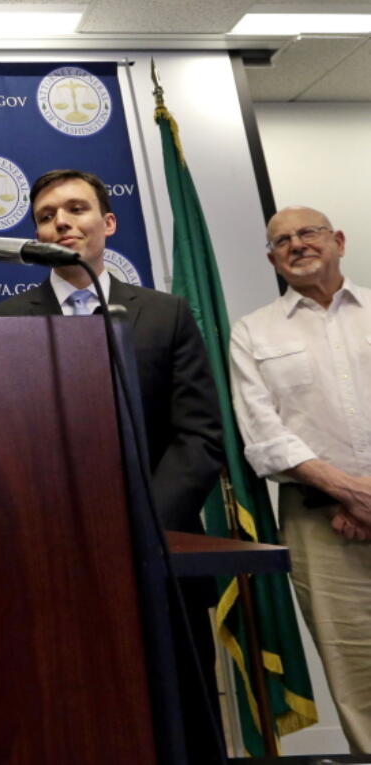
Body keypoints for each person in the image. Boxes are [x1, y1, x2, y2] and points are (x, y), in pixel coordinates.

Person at [0, 168, 225, 761]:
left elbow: (199, 436)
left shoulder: (167, 313)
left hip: (162, 555)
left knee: (180, 726)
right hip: (50, 560)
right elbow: (1, 447)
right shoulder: (3, 323)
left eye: (76, 209)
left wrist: (143, 527)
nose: (61, 222)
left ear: (108, 224)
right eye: (46, 216)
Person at [230, 205, 371, 751]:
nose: (296, 244)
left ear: (337, 240)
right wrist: (350, 492)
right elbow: (262, 434)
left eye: (308, 233)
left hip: (346, 507)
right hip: (321, 522)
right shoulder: (252, 332)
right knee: (357, 673)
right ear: (272, 259)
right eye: (281, 240)